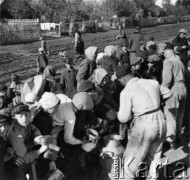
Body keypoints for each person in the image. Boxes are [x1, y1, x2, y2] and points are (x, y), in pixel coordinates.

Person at [118, 73, 171, 180]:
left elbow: (124, 118)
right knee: (155, 155)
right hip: (160, 119)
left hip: (144, 124)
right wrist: (155, 103)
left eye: (119, 81)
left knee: (132, 160)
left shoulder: (126, 91)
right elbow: (168, 93)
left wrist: (118, 113)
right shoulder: (151, 82)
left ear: (123, 78)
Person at [7, 103, 48, 180]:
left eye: (26, 115)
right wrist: (41, 150)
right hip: (18, 162)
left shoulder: (25, 123)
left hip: (27, 152)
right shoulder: (15, 134)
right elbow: (25, 158)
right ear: (14, 117)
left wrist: (37, 138)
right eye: (20, 116)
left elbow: (35, 129)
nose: (24, 118)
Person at [162, 44, 187, 149]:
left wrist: (162, 92)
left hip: (173, 88)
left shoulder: (168, 62)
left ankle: (171, 141)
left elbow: (167, 80)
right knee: (180, 115)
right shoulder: (179, 61)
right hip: (183, 87)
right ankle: (178, 137)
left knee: (170, 115)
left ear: (165, 53)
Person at [0, 114, 11, 180]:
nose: (3, 128)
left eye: (4, 125)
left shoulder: (2, 138)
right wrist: (9, 156)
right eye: (0, 126)